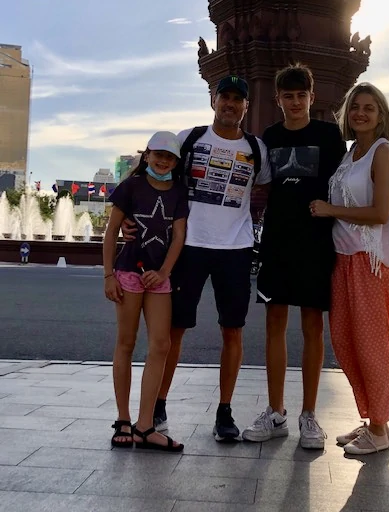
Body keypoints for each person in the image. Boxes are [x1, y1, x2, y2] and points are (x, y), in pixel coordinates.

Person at [122, 76, 271, 442]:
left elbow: (265, 187)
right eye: (225, 97)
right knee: (174, 330)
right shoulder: (189, 138)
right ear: (213, 100)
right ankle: (158, 403)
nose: (231, 104)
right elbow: (146, 170)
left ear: (246, 106)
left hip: (235, 248)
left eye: (238, 99)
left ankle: (224, 410)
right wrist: (127, 212)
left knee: (232, 330)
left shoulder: (257, 148)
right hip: (188, 247)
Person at [242, 63, 346, 449]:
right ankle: (276, 412)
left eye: (302, 95)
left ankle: (309, 415)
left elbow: (348, 183)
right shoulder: (269, 136)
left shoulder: (330, 136)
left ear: (311, 98)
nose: (296, 102)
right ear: (279, 100)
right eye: (289, 96)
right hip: (278, 241)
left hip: (317, 241)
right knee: (274, 322)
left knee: (312, 326)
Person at [310, 81, 389, 455]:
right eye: (356, 107)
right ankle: (371, 421)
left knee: (372, 347)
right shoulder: (350, 154)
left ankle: (379, 429)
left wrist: (331, 210)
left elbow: (380, 213)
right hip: (343, 260)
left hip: (371, 261)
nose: (361, 113)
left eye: (370, 107)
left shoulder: (382, 151)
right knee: (347, 345)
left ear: (381, 116)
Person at [104, 131, 188, 452]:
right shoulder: (131, 187)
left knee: (161, 345)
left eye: (170, 157)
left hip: (159, 277)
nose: (163, 161)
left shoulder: (179, 192)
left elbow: (178, 236)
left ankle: (145, 425)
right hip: (128, 272)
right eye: (158, 155)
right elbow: (112, 232)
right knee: (126, 343)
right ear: (147, 155)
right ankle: (123, 419)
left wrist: (165, 271)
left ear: (176, 162)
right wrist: (108, 275)